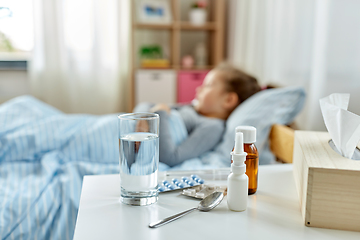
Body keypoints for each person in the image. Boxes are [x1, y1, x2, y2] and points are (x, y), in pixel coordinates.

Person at [134, 63, 261, 167]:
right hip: (127, 129)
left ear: (228, 100)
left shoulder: (213, 127)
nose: (198, 89)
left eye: (208, 86)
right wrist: (142, 118)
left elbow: (171, 157)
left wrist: (157, 115)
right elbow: (147, 105)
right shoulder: (192, 108)